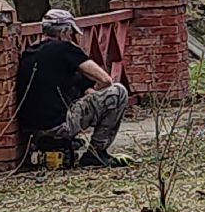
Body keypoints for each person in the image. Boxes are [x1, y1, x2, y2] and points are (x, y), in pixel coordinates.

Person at [15, 9, 129, 168]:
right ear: (64, 32)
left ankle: (56, 143)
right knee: (118, 92)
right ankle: (96, 152)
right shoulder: (65, 48)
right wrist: (95, 95)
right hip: (59, 126)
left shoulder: (29, 52)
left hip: (30, 128)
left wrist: (84, 91)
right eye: (71, 34)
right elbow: (105, 79)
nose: (71, 38)